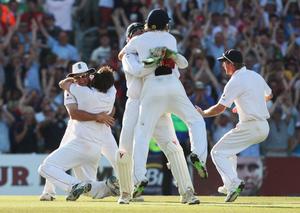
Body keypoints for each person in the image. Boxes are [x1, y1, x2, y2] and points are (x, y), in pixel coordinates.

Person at [119, 9, 208, 197]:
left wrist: (157, 60)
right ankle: (126, 192)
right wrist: (159, 59)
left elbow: (175, 69)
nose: (139, 35)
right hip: (136, 102)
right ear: (129, 38)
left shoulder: (145, 43)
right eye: (134, 34)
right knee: (125, 149)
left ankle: (187, 192)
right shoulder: (132, 54)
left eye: (140, 32)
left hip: (153, 98)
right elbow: (135, 68)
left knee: (172, 147)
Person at [196, 49, 272, 202]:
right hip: (263, 127)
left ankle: (234, 183)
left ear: (231, 64)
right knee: (228, 152)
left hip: (251, 127)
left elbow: (220, 108)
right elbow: (269, 95)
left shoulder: (235, 81)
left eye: (224, 62)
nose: (223, 66)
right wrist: (248, 104)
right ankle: (228, 184)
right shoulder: (255, 75)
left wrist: (203, 113)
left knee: (217, 152)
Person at [38, 65, 119, 201]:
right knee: (90, 187)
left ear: (90, 75)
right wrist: (101, 115)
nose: (81, 80)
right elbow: (74, 114)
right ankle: (109, 187)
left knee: (46, 167)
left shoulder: (81, 89)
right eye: (77, 77)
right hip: (90, 141)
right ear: (73, 78)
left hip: (85, 140)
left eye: (84, 76)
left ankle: (73, 186)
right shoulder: (107, 90)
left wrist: (103, 115)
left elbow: (62, 84)